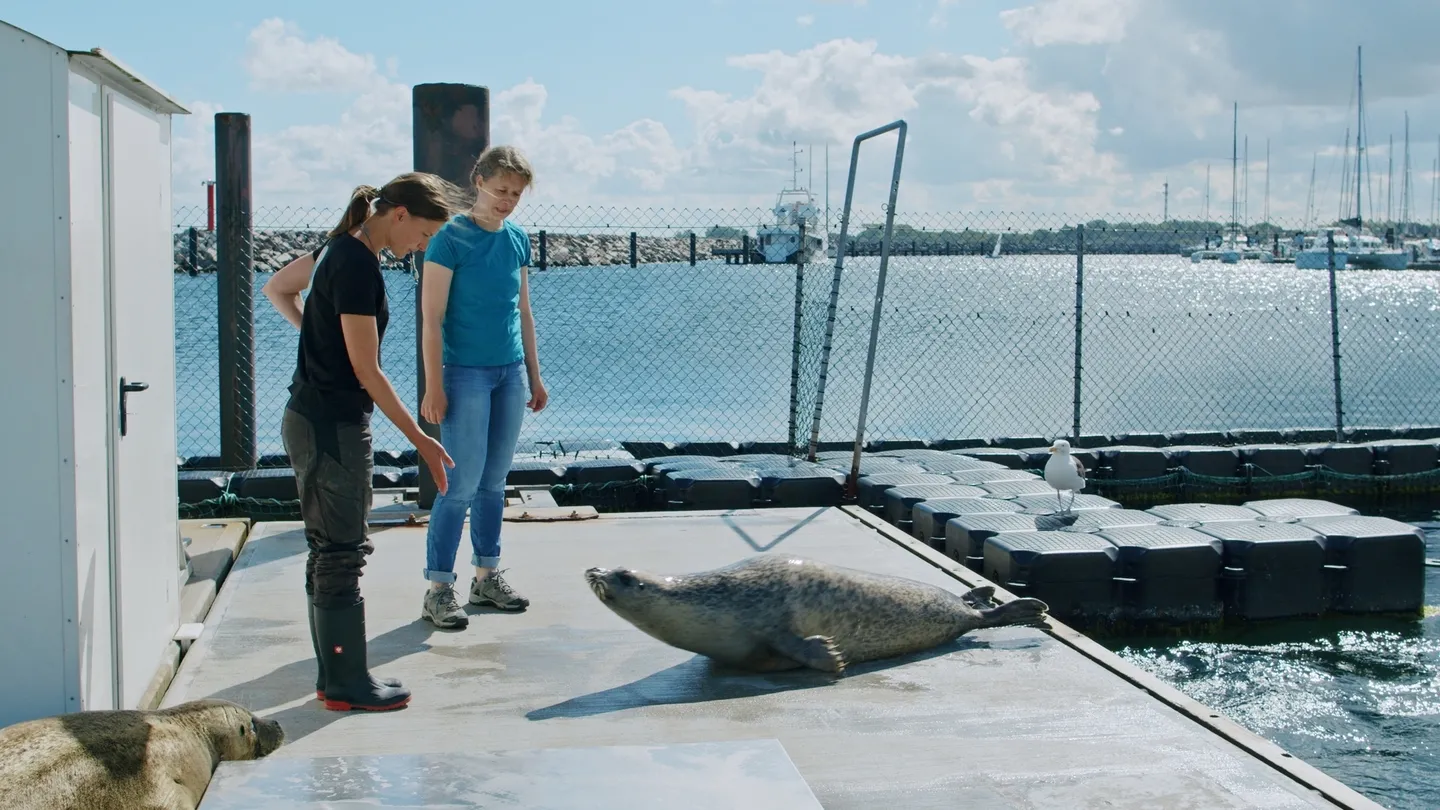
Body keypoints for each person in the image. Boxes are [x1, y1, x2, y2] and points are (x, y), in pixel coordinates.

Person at [260, 172, 460, 712]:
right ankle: (346, 683)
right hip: (334, 426)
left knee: (328, 549)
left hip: (310, 416)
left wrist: (314, 335)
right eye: (422, 235)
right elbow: (367, 370)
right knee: (342, 552)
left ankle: (335, 677)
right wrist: (421, 438)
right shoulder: (355, 265)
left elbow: (276, 287)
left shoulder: (335, 249)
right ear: (399, 215)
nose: (420, 248)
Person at [417, 145, 548, 629]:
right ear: (479, 182)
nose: (508, 201)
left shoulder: (516, 239)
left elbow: (524, 312)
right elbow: (431, 320)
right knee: (458, 486)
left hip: (509, 373)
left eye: (516, 194)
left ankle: (487, 577)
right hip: (463, 374)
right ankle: (438, 589)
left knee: (495, 484)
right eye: (501, 191)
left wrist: (534, 374)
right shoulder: (449, 240)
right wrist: (434, 386)